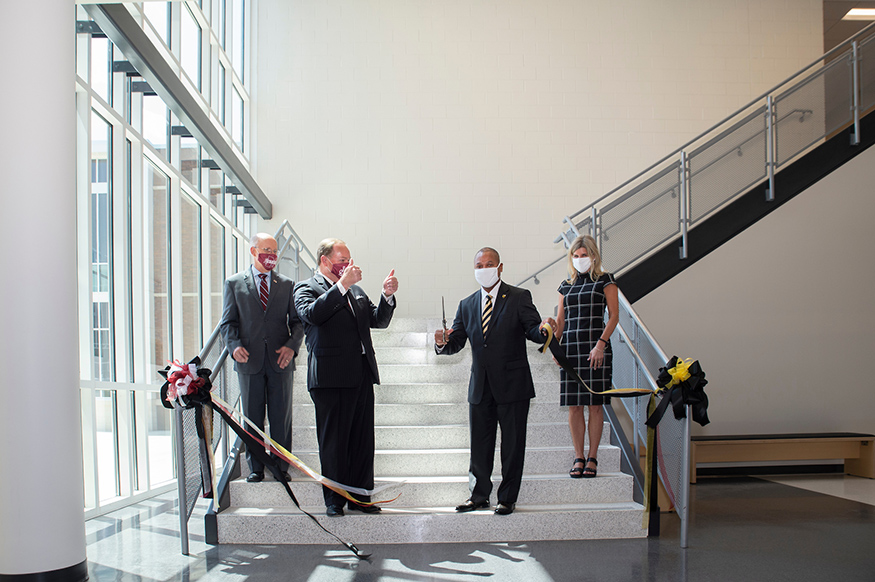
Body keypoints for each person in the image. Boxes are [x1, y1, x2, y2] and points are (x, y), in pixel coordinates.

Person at [434, 247, 555, 516]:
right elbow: (456, 343)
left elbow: (533, 331)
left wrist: (546, 328)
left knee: (512, 446)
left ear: (500, 268)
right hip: (480, 388)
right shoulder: (466, 304)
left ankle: (507, 498)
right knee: (480, 446)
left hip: (513, 386)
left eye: (489, 264)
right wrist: (442, 342)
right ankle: (478, 496)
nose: (484, 268)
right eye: (479, 265)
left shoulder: (519, 297)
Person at [294, 238, 398, 517]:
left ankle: (361, 497)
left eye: (349, 259)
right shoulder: (305, 288)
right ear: (325, 261)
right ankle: (334, 500)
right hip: (330, 378)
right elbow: (313, 314)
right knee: (334, 442)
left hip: (361, 374)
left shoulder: (356, 291)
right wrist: (342, 286)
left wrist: (386, 296)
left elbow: (377, 320)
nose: (347, 265)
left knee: (362, 442)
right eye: (341, 260)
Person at [219, 233, 304, 483]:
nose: (272, 256)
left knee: (281, 417)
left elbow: (298, 323)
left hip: (281, 361)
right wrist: (233, 347)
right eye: (267, 250)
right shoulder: (234, 283)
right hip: (249, 362)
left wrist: (292, 346)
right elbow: (227, 323)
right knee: (253, 417)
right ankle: (256, 466)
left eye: (275, 251)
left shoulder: (287, 284)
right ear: (253, 251)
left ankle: (280, 466)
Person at [555, 234, 619, 479]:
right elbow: (561, 321)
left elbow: (613, 316)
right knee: (574, 407)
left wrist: (601, 344)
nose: (580, 259)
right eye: (576, 255)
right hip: (571, 349)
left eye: (584, 255)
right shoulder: (566, 285)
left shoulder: (605, 280)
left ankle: (593, 457)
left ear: (593, 256)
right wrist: (556, 348)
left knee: (595, 406)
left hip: (596, 350)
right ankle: (578, 456)